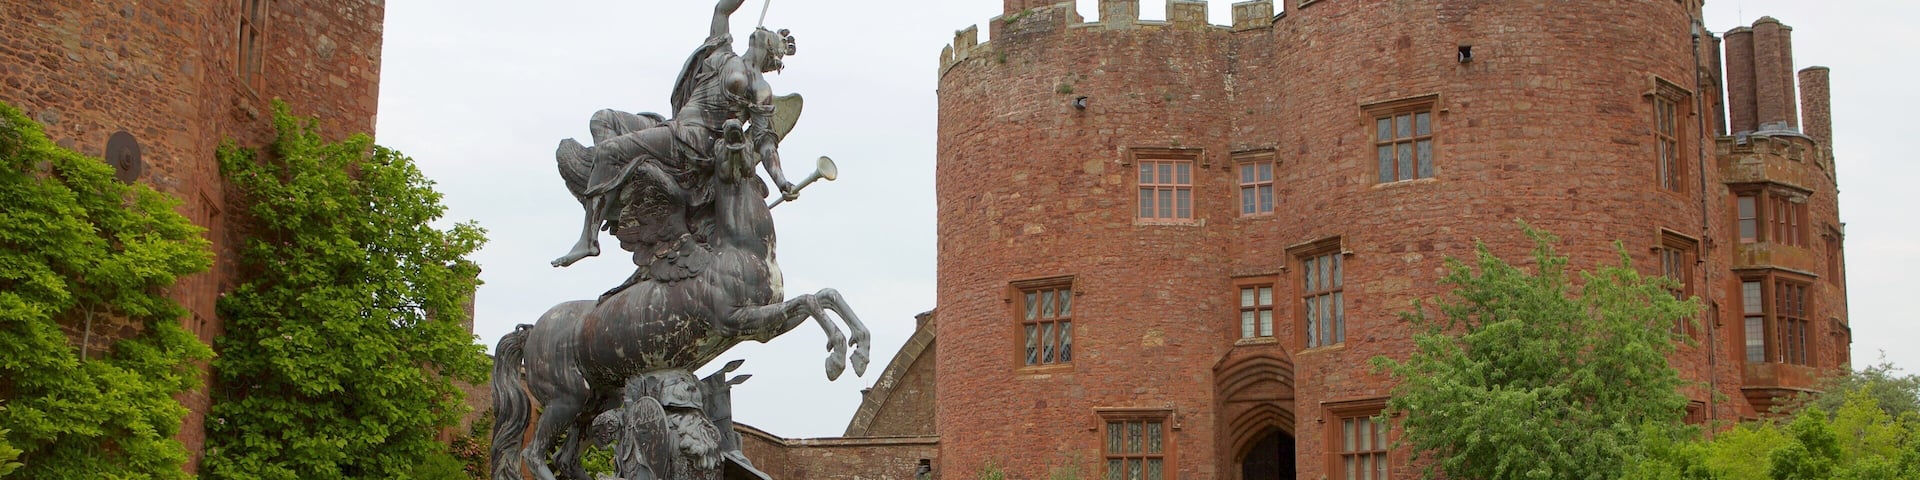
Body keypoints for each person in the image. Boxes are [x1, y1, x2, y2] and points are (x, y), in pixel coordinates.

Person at [552, 0, 799, 268]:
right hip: (674, 127)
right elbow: (722, 9)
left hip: (695, 142)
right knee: (603, 119)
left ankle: (588, 239)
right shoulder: (723, 51)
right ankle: (623, 187)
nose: (766, 32)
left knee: (610, 151)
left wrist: (781, 181)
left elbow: (764, 141)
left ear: (774, 55)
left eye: (774, 36)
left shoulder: (760, 87)